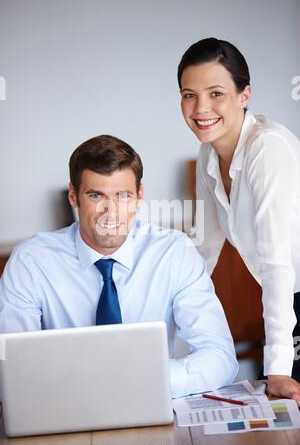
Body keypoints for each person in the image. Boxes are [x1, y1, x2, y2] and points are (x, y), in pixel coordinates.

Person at [0, 134, 238, 398]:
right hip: (64, 409)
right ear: (73, 196)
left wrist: (144, 381)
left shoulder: (174, 253)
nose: (111, 211)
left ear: (139, 196)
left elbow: (221, 357)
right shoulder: (31, 262)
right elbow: (12, 368)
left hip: (152, 400)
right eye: (96, 195)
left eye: (123, 195)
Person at [177, 37, 300, 404]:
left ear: (244, 95)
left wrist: (277, 369)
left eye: (216, 93)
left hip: (289, 289)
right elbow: (203, 251)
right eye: (189, 95)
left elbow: (277, 262)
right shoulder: (208, 154)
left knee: (283, 404)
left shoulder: (267, 148)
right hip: (287, 297)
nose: (201, 108)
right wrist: (167, 333)